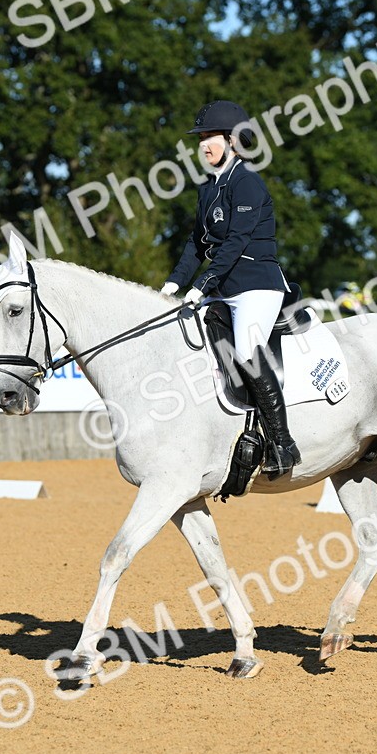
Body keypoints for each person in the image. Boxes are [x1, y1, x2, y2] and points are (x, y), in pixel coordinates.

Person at [161, 99, 301, 477]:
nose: (203, 145)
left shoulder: (248, 182)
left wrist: (203, 283)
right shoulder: (208, 188)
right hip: (224, 288)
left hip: (256, 286)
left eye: (211, 137)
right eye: (201, 138)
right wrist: (173, 283)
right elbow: (196, 244)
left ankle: (283, 444)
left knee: (248, 349)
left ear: (233, 141)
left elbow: (236, 242)